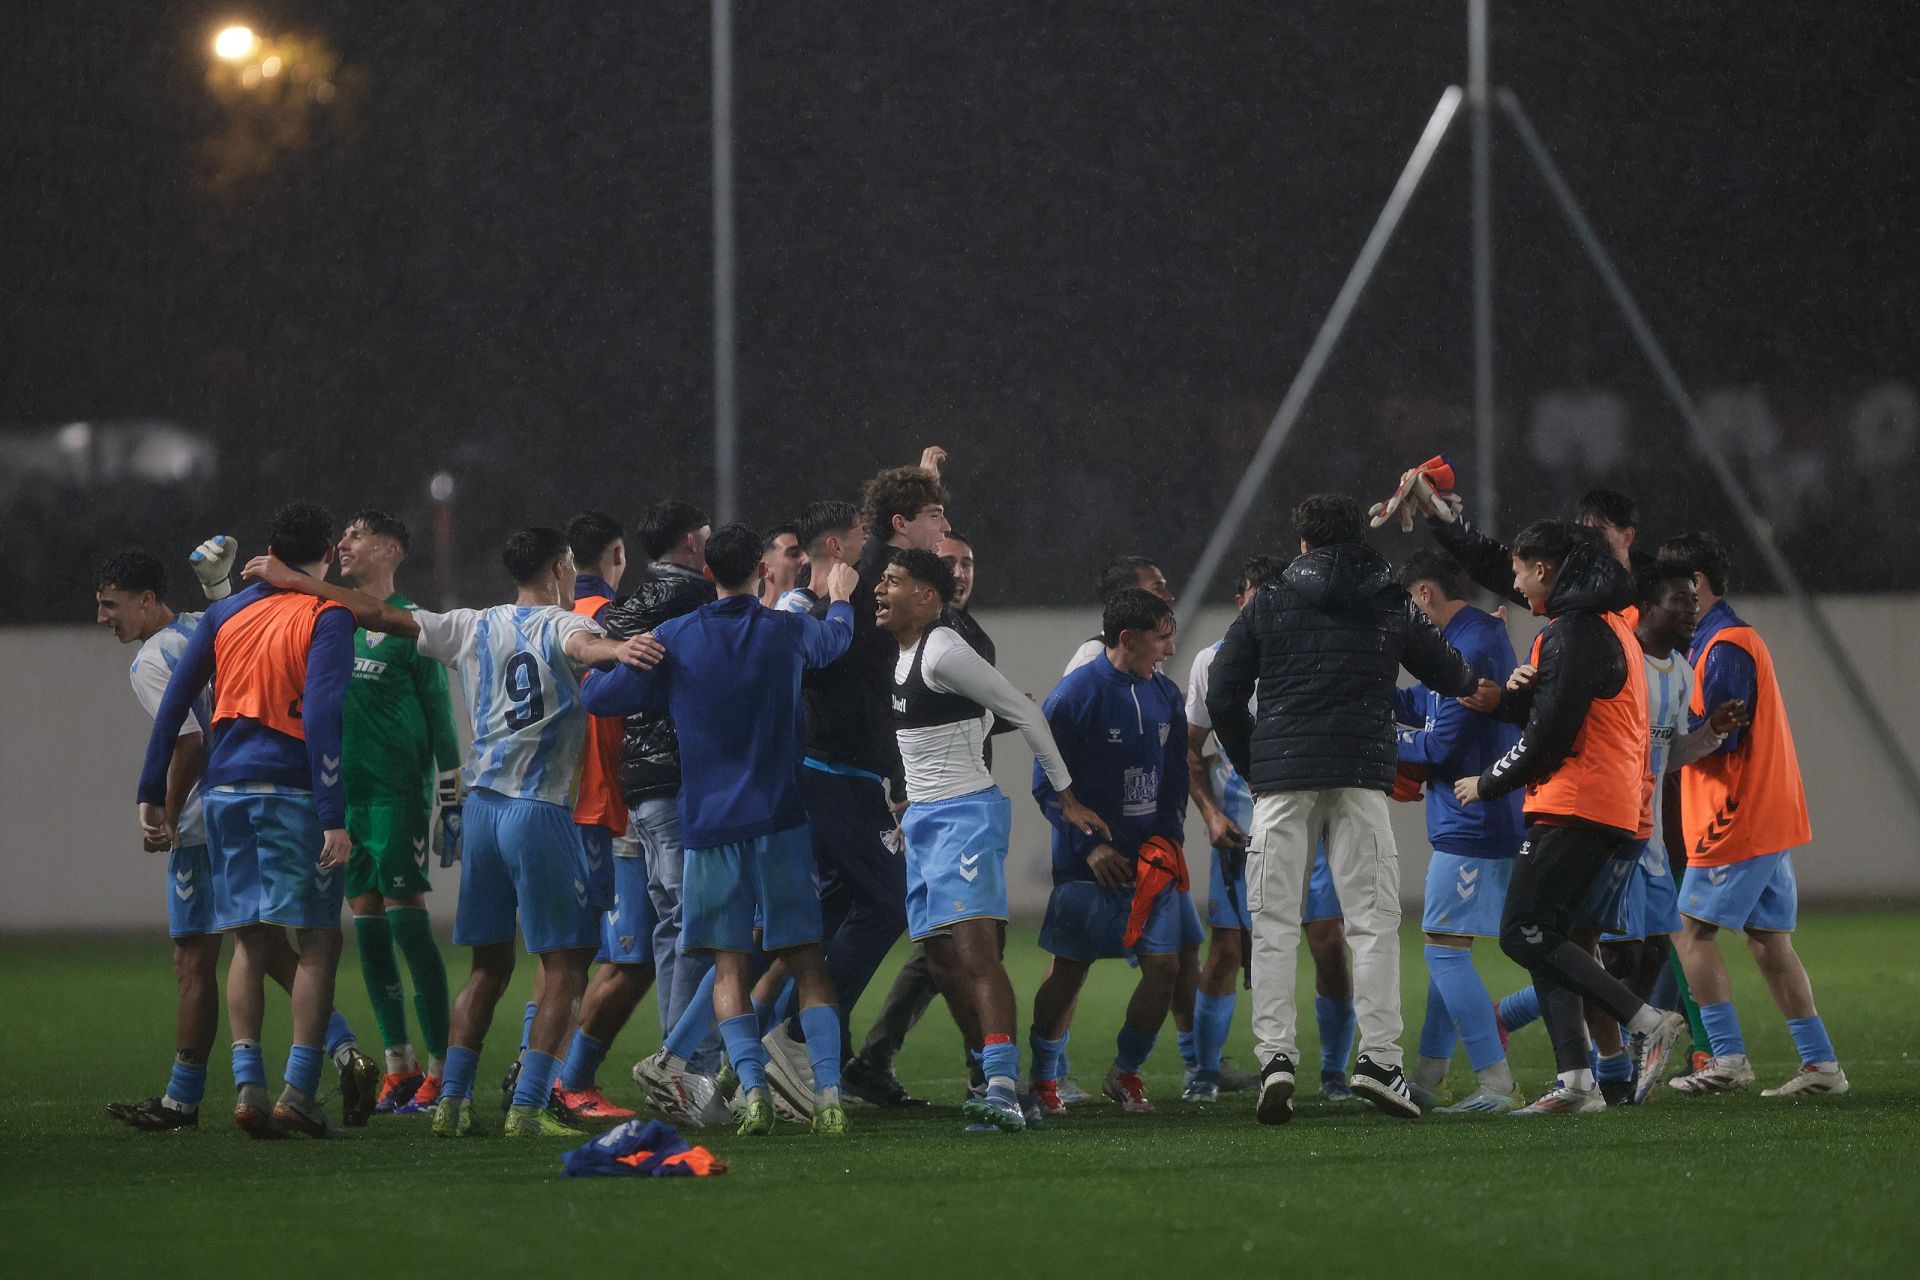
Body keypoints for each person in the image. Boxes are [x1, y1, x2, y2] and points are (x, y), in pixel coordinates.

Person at [246, 526, 662, 1138]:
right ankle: (527, 1106)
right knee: (567, 965)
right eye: (570, 567)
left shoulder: (473, 623)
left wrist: (299, 582)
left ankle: (453, 1101)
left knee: (487, 968)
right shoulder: (559, 622)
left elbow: (381, 615)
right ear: (558, 567)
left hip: (483, 812)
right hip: (537, 811)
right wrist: (619, 651)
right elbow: (581, 646)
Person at [1208, 494, 1490, 1124]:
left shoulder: (1271, 601)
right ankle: (1379, 1061)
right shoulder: (1388, 598)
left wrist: (1259, 766)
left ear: (1303, 544)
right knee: (1371, 921)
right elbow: (1448, 673)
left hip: (1283, 779)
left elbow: (1222, 691)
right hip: (1361, 773)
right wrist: (1476, 679)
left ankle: (1276, 1059)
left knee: (1274, 922)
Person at [581, 523, 863, 1137]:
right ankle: (830, 1096)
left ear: (708, 573)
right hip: (781, 823)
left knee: (729, 969)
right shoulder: (786, 632)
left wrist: (620, 653)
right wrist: (840, 595)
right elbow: (837, 639)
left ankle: (754, 1093)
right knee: (807, 964)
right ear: (764, 573)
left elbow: (598, 699)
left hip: (709, 827)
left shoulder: (675, 638)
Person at [135, 503, 361, 1139]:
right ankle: (299, 1091)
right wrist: (333, 813)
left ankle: (247, 1089)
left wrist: (151, 788)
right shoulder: (327, 613)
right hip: (290, 789)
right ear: (327, 555)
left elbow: (176, 704)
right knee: (318, 942)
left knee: (251, 940)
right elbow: (320, 713)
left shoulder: (226, 611)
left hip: (227, 790)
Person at [1449, 520, 1689, 1116]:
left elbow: (1551, 739)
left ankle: (1645, 1019)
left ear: (1546, 570)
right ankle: (1576, 1082)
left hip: (1578, 803)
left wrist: (1488, 781)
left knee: (1519, 932)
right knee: (1547, 937)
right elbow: (1562, 716)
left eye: (1520, 569)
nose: (1513, 581)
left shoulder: (1575, 631)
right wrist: (1518, 696)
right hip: (1607, 805)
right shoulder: (1607, 625)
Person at [875, 548, 1109, 1130]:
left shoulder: (945, 649)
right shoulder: (903, 653)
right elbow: (969, 723)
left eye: (894, 581)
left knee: (976, 953)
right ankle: (989, 1073)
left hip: (965, 817)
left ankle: (1004, 1086)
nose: (880, 588)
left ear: (926, 597)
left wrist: (1068, 796)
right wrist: (909, 798)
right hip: (926, 821)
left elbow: (1027, 715)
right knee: (939, 960)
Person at [759, 458, 951, 1118]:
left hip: (843, 771)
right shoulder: (864, 583)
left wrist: (921, 476)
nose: (946, 528)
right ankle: (789, 1040)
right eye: (936, 516)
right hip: (839, 774)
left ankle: (787, 1054)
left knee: (831, 915)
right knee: (891, 903)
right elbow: (830, 657)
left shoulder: (874, 577)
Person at [1657, 532, 1845, 1098]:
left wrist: (1654, 743)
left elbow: (1723, 735)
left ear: (1694, 586)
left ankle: (1726, 1056)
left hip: (1733, 815)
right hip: (1763, 813)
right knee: (1768, 941)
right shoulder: (1722, 641)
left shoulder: (1724, 646)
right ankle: (1821, 1066)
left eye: (1671, 586)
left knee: (1687, 930)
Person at [1184, 554, 1354, 1104]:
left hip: (1311, 826)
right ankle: (1204, 1074)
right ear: (1241, 601)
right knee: (1227, 951)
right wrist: (1211, 814)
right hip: (1243, 833)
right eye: (1259, 596)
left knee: (1328, 946)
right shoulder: (1212, 662)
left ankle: (1332, 1074)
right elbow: (1191, 752)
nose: (1269, 607)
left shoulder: (1312, 655)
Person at [844, 528, 1002, 1107]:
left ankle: (880, 1058)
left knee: (943, 948)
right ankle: (992, 1074)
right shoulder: (933, 636)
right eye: (950, 564)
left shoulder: (959, 632)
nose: (960, 572)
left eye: (968, 562)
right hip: (944, 808)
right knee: (968, 949)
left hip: (951, 802)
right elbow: (909, 716)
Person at [1028, 587, 1189, 1116]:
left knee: (1163, 967)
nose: (1169, 651)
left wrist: (1170, 841)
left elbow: (1175, 780)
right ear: (1127, 638)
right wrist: (1091, 847)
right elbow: (1046, 785)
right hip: (1087, 866)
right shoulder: (1074, 696)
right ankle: (1044, 1079)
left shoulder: (1167, 695)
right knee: (1070, 970)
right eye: (1161, 640)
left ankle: (1125, 1073)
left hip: (1148, 862)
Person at [331, 510, 463, 1117]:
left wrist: (450, 797)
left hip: (398, 798)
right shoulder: (336, 624)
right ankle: (398, 1065)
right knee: (368, 929)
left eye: (355, 537)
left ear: (389, 549)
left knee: (409, 925)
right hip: (349, 801)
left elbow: (439, 714)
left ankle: (441, 1066)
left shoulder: (412, 626)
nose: (343, 545)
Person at [1389, 548, 1528, 1115]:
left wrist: (1373, 741)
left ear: (1424, 595)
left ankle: (1497, 1082)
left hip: (1476, 820)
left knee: (1445, 950)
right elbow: (1418, 706)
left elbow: (1439, 744)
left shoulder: (1473, 644)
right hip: (1472, 818)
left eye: (1405, 605)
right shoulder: (1463, 641)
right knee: (1450, 945)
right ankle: (1428, 1075)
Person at [601, 502, 717, 1097]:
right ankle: (686, 1062)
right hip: (677, 781)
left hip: (642, 784)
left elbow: (597, 658)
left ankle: (677, 1057)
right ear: (695, 542)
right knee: (699, 923)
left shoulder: (632, 606)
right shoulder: (693, 600)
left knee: (674, 925)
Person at [551, 510, 651, 1120]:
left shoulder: (554, 621)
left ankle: (536, 1075)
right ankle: (564, 1082)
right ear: (618, 553)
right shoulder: (615, 624)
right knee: (623, 958)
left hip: (551, 804)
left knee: (567, 955)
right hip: (604, 806)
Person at [1062, 556, 1173, 675]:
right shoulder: (1092, 660)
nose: (1169, 597)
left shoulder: (1145, 657)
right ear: (1126, 597)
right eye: (1157, 588)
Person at [758, 524, 808, 609]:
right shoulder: (746, 617)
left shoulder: (819, 615)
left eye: (809, 553)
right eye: (794, 554)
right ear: (764, 570)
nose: (806, 560)